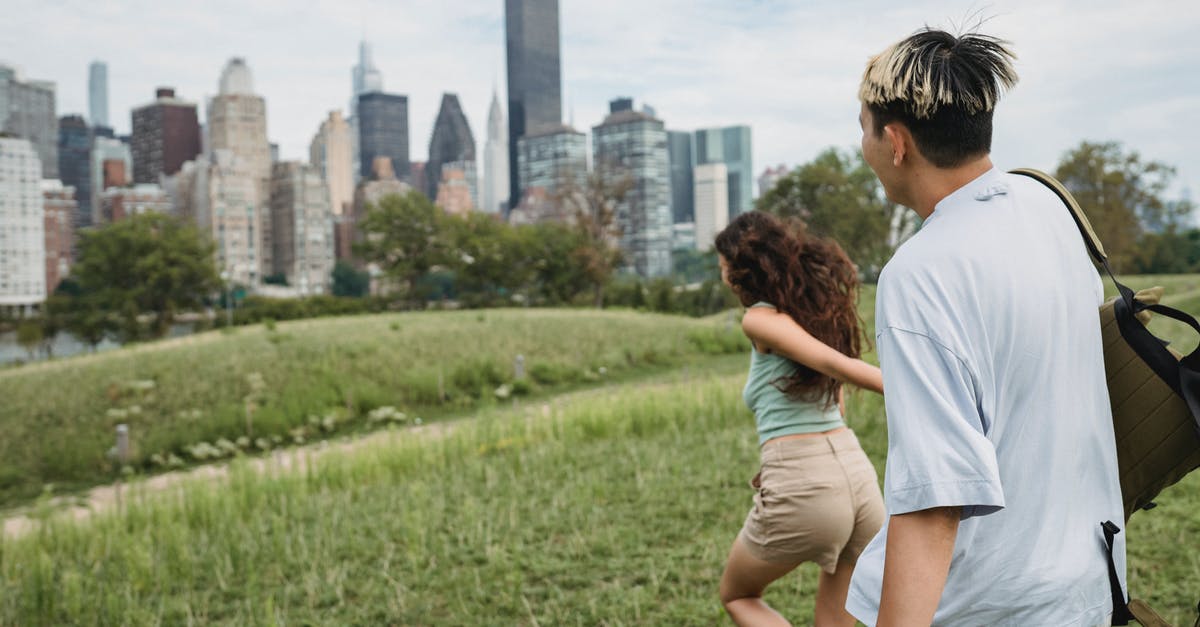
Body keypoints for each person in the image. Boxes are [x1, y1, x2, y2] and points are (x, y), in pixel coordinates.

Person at [845, 29, 1126, 626]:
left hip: (989, 606)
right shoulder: (1050, 208)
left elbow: (936, 500)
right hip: (1089, 586)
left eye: (864, 126)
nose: (862, 144)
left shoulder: (919, 275)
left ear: (896, 142)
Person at [715, 211, 886, 627]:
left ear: (739, 267)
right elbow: (836, 391)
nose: (719, 271)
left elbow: (832, 363)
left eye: (721, 262)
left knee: (737, 594)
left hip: (806, 483)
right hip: (858, 479)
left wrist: (908, 386)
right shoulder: (813, 321)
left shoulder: (759, 319)